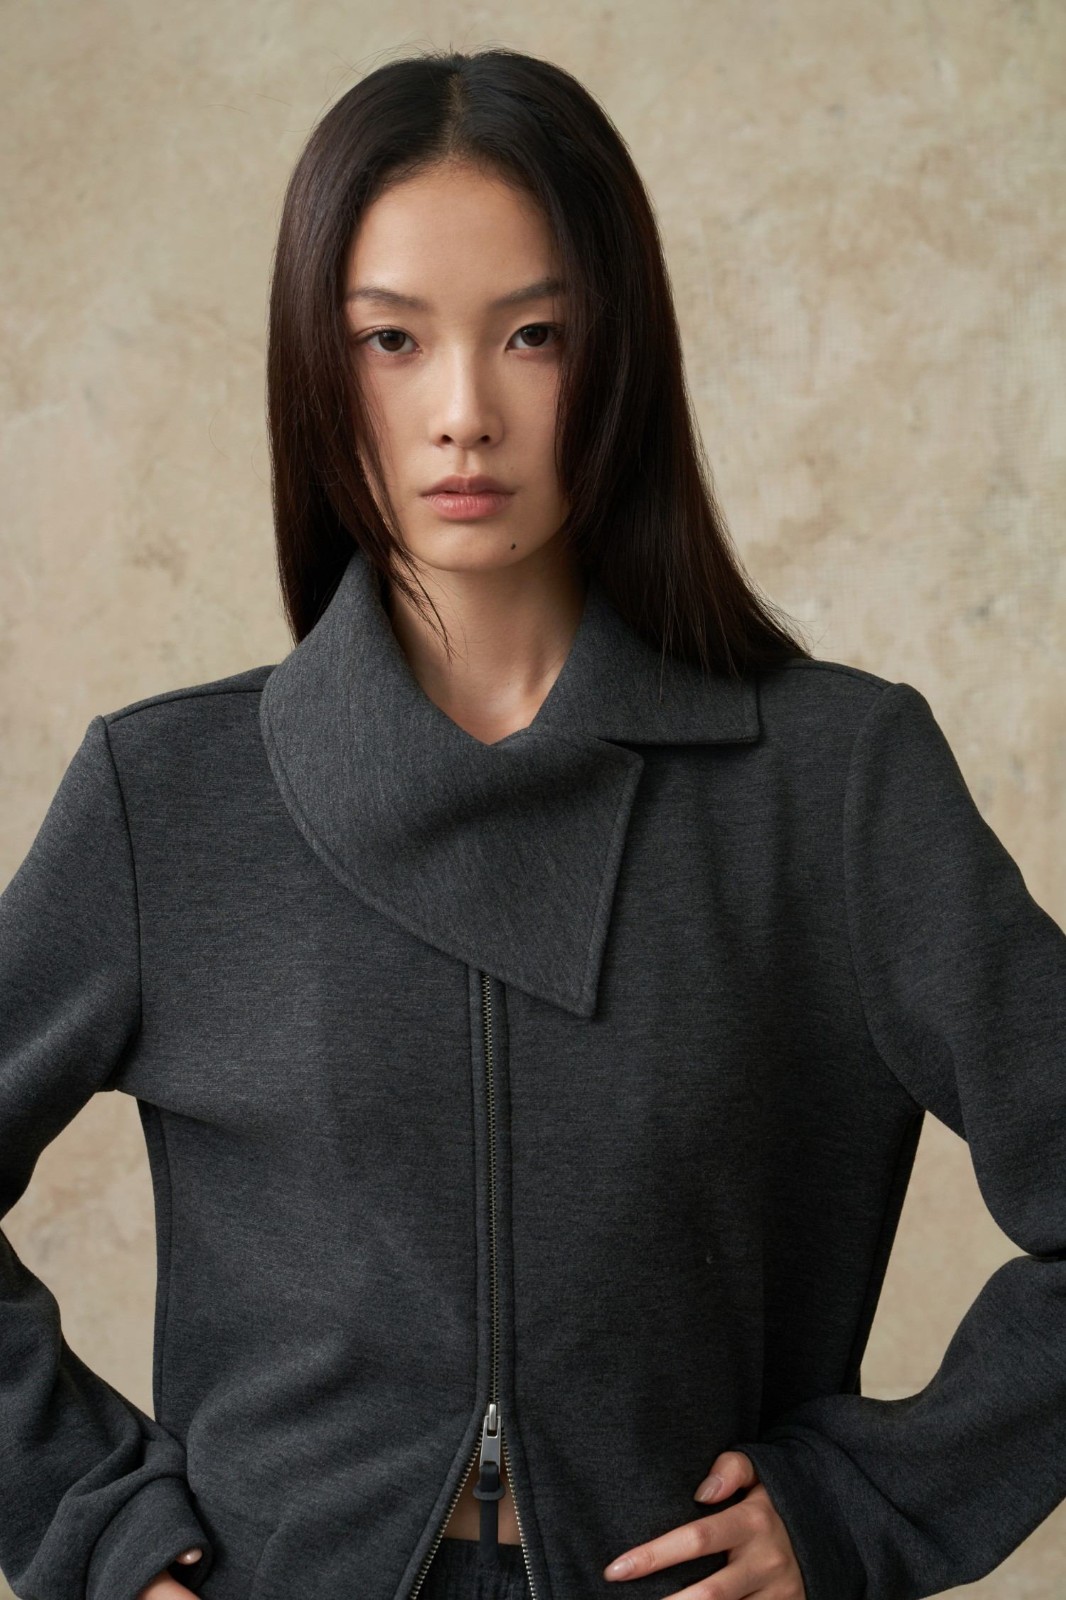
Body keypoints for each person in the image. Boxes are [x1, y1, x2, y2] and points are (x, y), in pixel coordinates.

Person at [2, 45, 1064, 1600]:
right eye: (389, 339)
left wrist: (868, 1505)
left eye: (533, 335)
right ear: (314, 364)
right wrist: (95, 1529)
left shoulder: (833, 779)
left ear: (618, 354)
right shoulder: (165, 798)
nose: (462, 414)